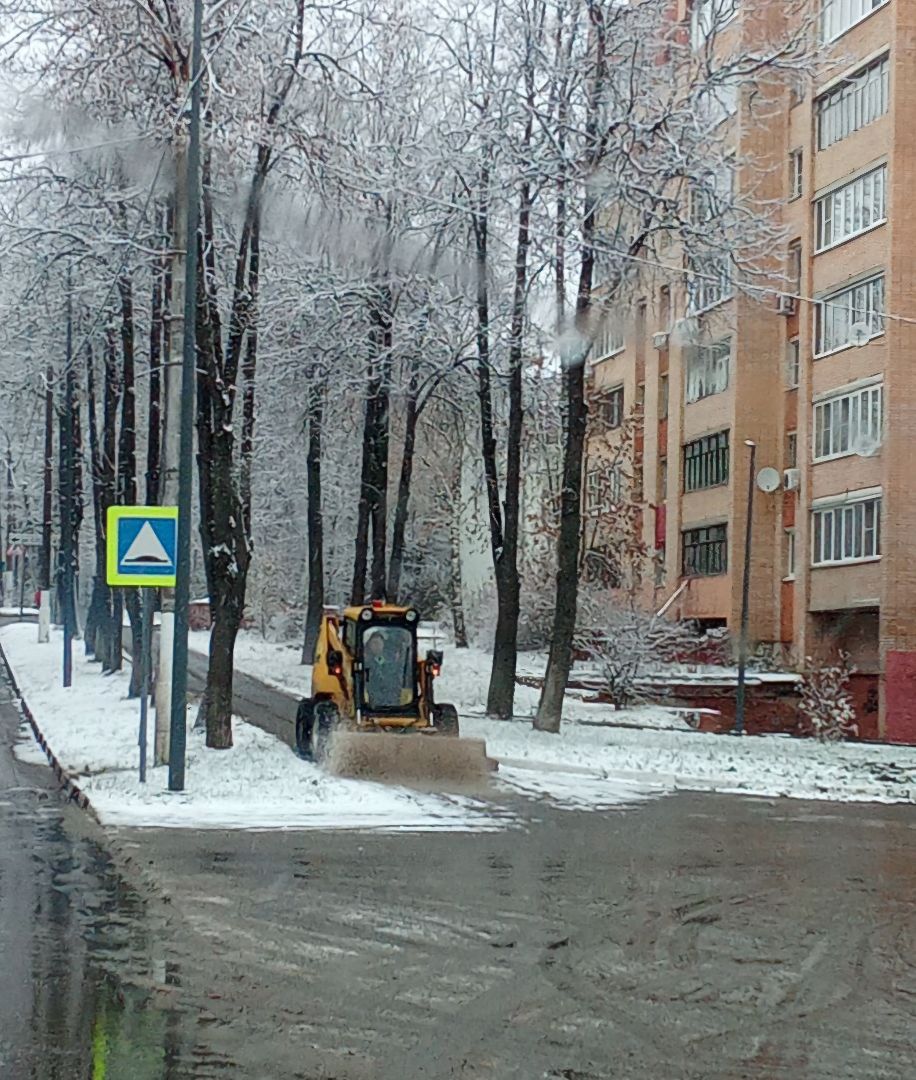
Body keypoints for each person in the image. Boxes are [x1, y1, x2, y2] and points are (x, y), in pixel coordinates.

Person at [364, 630, 403, 708]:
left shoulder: (391, 662)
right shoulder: (366, 663)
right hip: (373, 699)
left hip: (391, 699)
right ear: (369, 645)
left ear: (383, 644)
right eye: (374, 643)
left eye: (379, 643)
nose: (377, 646)